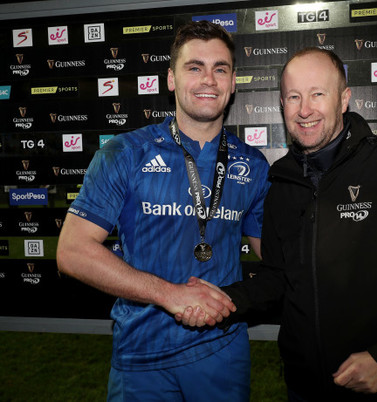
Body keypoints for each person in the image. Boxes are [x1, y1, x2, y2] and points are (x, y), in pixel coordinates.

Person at [183, 47, 377, 401]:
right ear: (282, 104)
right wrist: (223, 299)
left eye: (317, 94)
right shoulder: (281, 183)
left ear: (344, 100)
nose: (304, 109)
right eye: (294, 96)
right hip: (304, 389)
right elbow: (278, 278)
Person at [56, 21, 270, 401]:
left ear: (234, 82)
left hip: (222, 351)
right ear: (170, 79)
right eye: (194, 67)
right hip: (141, 354)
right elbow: (71, 252)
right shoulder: (124, 153)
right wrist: (168, 294)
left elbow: (276, 256)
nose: (209, 79)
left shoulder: (252, 164)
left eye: (220, 68)